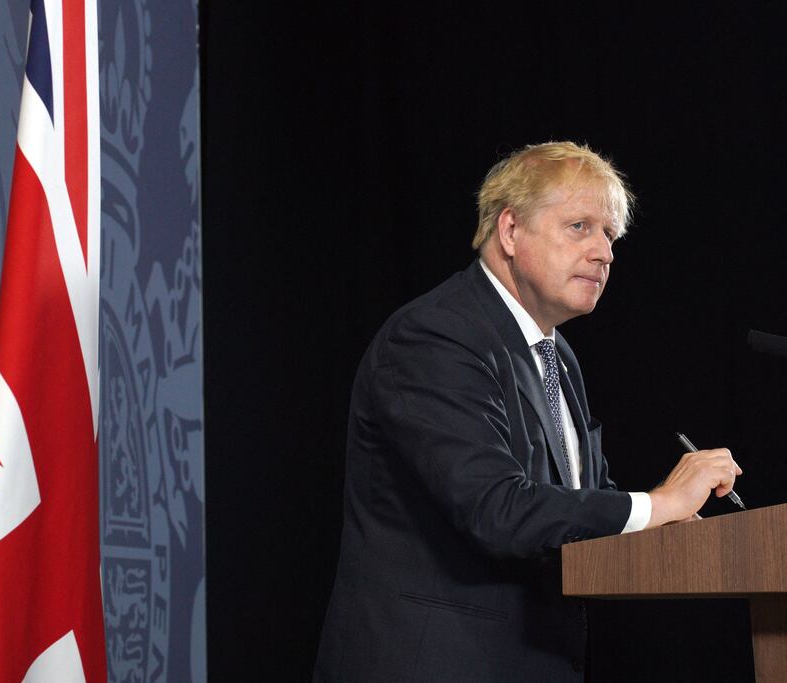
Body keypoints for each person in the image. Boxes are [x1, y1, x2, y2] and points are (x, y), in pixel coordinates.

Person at [313, 142, 742, 682]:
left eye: (610, 235)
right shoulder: (434, 338)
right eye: (580, 226)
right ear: (510, 231)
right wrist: (657, 504)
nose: (604, 253)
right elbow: (497, 508)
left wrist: (682, 528)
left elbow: (585, 504)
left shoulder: (555, 352)